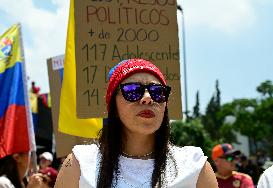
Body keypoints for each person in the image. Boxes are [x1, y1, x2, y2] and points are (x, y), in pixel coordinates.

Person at [55, 59, 218, 188]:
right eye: (132, 91)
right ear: (113, 105)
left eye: (157, 92)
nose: (148, 98)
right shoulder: (79, 163)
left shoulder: (195, 166)